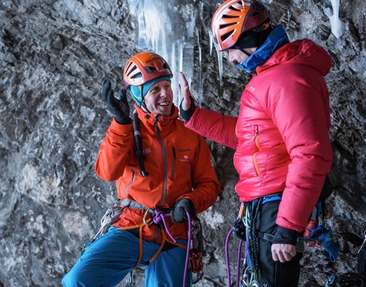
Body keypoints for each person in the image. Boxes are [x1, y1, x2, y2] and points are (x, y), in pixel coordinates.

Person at [178, 0, 333, 286]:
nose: (230, 60)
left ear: (246, 39)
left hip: (276, 206)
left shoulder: (285, 79)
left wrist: (286, 228)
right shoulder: (276, 76)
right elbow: (249, 138)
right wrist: (192, 116)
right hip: (269, 205)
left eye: (230, 51)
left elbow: (310, 154)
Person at [62, 51, 220, 287]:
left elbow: (210, 184)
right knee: (78, 280)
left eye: (166, 86)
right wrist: (121, 123)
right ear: (139, 95)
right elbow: (107, 172)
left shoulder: (190, 134)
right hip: (132, 225)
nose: (165, 94)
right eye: (155, 90)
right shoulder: (126, 130)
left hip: (174, 231)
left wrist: (190, 201)